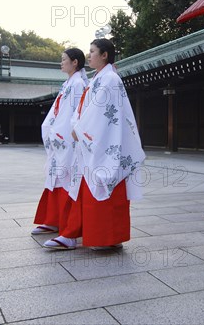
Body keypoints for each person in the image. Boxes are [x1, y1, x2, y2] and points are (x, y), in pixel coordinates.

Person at [43, 38, 145, 250]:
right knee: (96, 189)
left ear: (104, 55)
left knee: (98, 187)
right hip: (96, 142)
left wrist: (79, 129)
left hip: (102, 143)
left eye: (92, 52)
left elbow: (100, 114)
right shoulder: (102, 78)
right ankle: (100, 236)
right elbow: (87, 111)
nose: (89, 56)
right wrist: (77, 126)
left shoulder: (109, 79)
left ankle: (103, 237)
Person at [32, 48, 88, 236]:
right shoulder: (69, 83)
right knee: (55, 177)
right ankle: (53, 219)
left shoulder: (78, 83)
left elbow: (73, 114)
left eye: (64, 59)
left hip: (67, 140)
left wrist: (58, 132)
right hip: (60, 137)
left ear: (75, 63)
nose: (61, 62)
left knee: (65, 178)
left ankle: (63, 222)